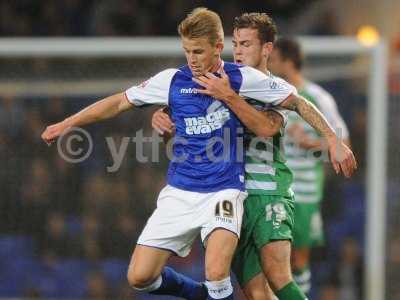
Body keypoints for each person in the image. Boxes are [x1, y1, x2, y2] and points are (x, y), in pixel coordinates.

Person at [41, 8, 336, 300]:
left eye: (198, 51)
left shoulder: (241, 79)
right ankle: (199, 295)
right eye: (187, 51)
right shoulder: (172, 81)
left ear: (218, 47)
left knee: (220, 273)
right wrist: (68, 123)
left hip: (225, 190)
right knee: (139, 277)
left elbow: (295, 101)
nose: (192, 59)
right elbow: (119, 102)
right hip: (181, 190)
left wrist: (334, 141)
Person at [151, 12, 356, 300]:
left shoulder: (270, 88)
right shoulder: (223, 80)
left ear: (267, 49)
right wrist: (162, 120)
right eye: (235, 43)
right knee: (257, 295)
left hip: (268, 191)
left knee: (280, 276)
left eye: (246, 44)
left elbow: (271, 124)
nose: (238, 50)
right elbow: (185, 114)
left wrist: (332, 140)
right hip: (230, 197)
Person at [268, 37, 351, 296]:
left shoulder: (317, 97)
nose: (268, 62)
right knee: (270, 259)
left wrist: (310, 143)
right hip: (273, 185)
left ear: (287, 61)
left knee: (297, 258)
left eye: (273, 58)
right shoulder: (269, 94)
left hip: (304, 190)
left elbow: (343, 143)